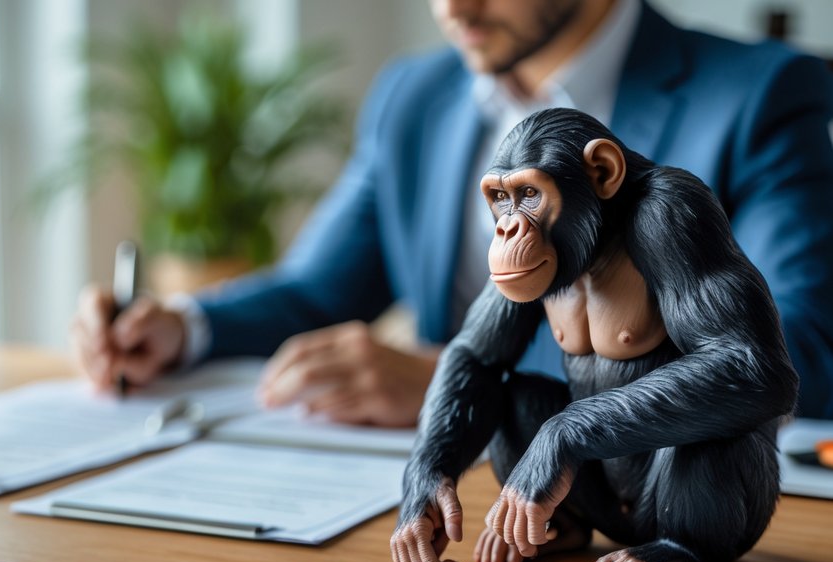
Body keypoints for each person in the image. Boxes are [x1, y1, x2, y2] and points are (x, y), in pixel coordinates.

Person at [71, 0, 833, 423]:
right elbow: (320, 292)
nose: (451, 8)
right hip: (436, 500)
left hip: (643, 508)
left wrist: (465, 379)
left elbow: (795, 348)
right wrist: (180, 328)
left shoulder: (757, 95)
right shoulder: (415, 97)